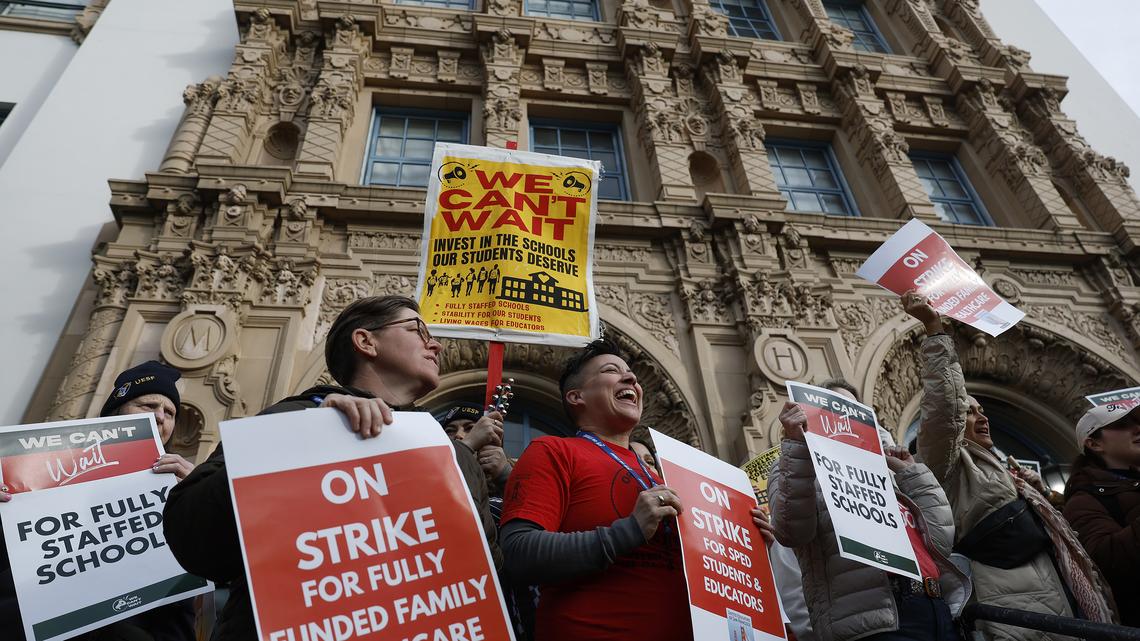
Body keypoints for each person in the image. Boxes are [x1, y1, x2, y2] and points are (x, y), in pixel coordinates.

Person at [163, 296, 504, 641]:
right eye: (417, 329)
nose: (436, 344)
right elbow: (194, 535)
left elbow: (485, 571)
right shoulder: (294, 418)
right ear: (366, 341)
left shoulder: (453, 455)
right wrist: (314, 432)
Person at [907, 289, 1117, 639]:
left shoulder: (1009, 475)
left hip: (1061, 605)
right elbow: (944, 408)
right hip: (1016, 616)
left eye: (982, 411)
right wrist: (934, 328)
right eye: (969, 412)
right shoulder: (948, 465)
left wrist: (1043, 498)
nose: (981, 418)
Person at [499, 340, 704, 640]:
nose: (632, 378)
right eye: (611, 371)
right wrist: (629, 531)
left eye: (631, 373)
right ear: (576, 396)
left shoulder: (664, 474)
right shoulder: (553, 451)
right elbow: (518, 553)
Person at [2, 360, 196, 641]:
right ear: (115, 412)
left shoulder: (181, 486)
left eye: (169, 412)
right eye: (148, 406)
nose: (160, 416)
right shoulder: (37, 469)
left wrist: (196, 497)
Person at [769, 377, 968, 641]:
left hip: (934, 610)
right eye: (835, 407)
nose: (846, 417)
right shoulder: (797, 465)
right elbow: (791, 531)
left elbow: (941, 543)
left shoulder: (889, 472)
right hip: (873, 621)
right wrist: (795, 446)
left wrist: (913, 474)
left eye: (854, 409)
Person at [1063, 402, 1140, 627]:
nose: (1137, 429)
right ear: (1094, 443)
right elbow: (1108, 562)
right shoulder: (1082, 500)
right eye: (1122, 425)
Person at [442, 402, 514, 495]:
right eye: (450, 431)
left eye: (470, 428)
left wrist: (504, 474)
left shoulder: (510, 475)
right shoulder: (432, 475)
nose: (458, 435)